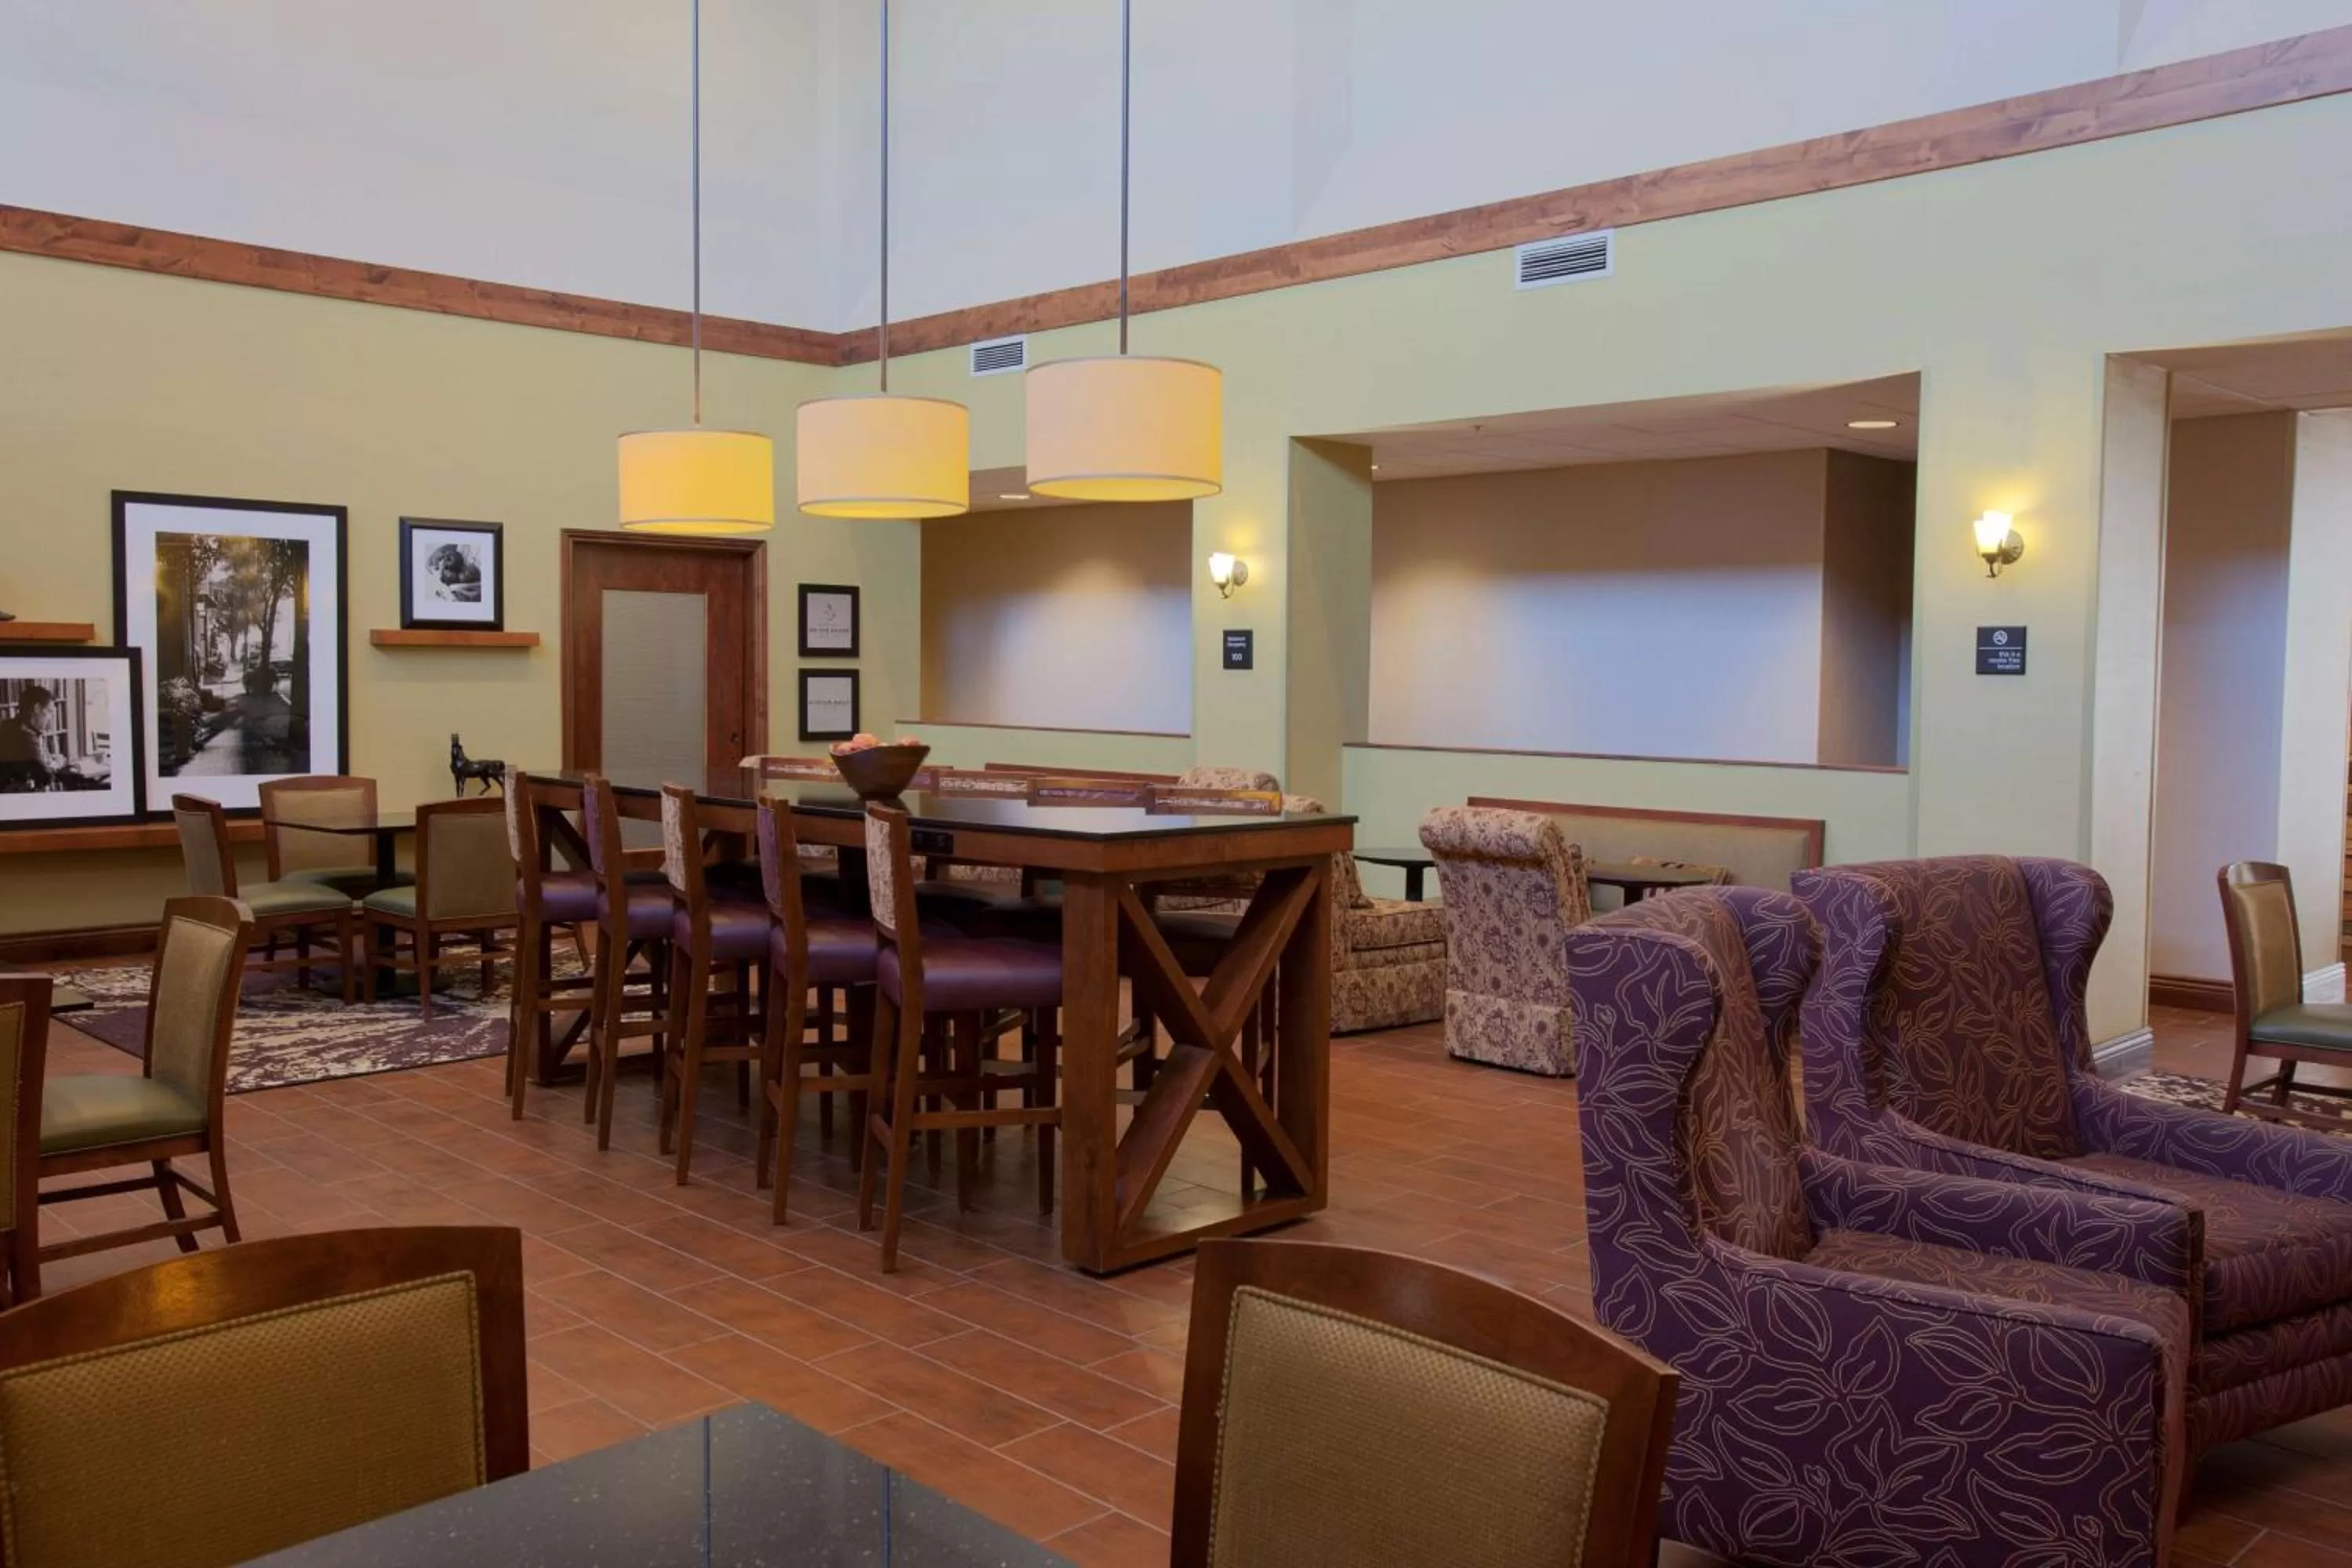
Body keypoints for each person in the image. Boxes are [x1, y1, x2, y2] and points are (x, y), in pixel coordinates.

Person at [0, 684, 60, 792]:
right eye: (50, 712)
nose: (51, 718)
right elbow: (47, 777)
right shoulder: (26, 739)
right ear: (37, 708)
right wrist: (56, 767)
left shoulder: (9, 725)